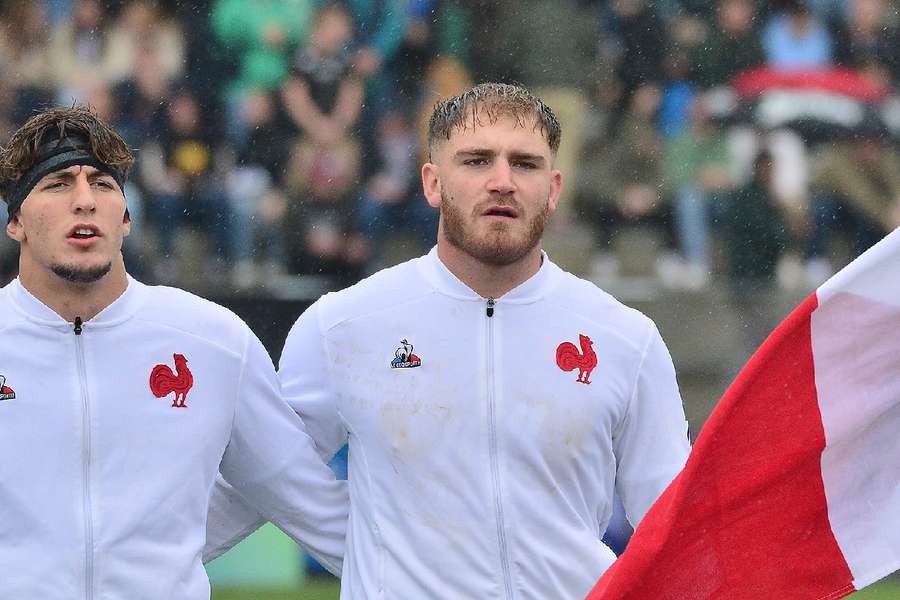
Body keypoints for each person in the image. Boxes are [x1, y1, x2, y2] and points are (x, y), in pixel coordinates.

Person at [208, 83, 691, 598]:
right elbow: (261, 475)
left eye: (524, 164)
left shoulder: (624, 337)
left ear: (553, 189)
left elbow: (679, 523)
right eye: (477, 161)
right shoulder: (342, 326)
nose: (502, 181)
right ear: (433, 183)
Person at [0, 106, 347, 599]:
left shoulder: (214, 340)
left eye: (102, 184)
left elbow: (298, 496)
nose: (84, 201)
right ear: (15, 220)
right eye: (57, 184)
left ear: (125, 217)